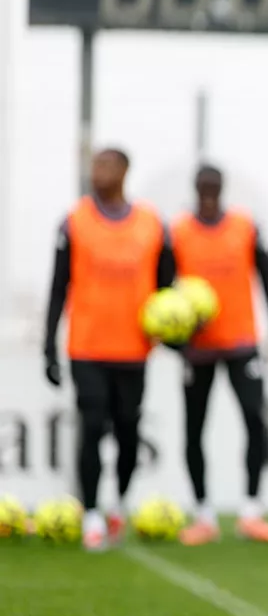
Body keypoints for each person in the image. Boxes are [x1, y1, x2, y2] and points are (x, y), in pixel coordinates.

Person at [43, 148, 174, 552]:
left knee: (128, 431)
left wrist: (174, 328)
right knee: (92, 425)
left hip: (133, 349)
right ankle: (92, 514)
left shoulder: (151, 223)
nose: (98, 172)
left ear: (124, 171)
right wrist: (48, 345)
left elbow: (167, 287)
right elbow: (58, 286)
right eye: (95, 165)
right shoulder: (74, 221)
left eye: (106, 165)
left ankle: (118, 503)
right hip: (87, 346)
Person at [171, 165, 268, 546]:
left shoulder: (244, 227)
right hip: (198, 347)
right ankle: (203, 514)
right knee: (194, 428)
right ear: (195, 188)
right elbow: (163, 287)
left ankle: (251, 511)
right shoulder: (180, 231)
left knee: (256, 421)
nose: (208, 193)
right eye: (202, 186)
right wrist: (176, 339)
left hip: (241, 342)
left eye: (213, 186)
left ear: (222, 188)